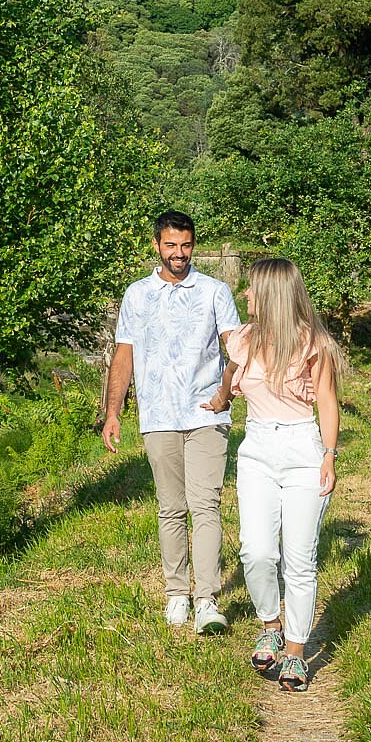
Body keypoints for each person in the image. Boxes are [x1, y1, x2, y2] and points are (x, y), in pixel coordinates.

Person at [203, 256, 345, 692]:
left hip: (303, 447)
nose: (245, 294)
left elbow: (326, 401)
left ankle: (296, 653)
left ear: (271, 294)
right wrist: (223, 397)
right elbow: (231, 372)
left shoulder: (311, 343)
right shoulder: (243, 340)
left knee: (299, 558)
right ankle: (270, 623)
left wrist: (329, 455)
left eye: (250, 288)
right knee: (256, 551)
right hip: (258, 448)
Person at [101, 210, 242, 635]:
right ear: (157, 246)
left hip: (205, 416)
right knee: (170, 507)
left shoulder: (215, 292)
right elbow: (123, 356)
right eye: (171, 246)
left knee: (206, 505)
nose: (179, 254)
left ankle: (207, 600)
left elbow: (236, 351)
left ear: (193, 245)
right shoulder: (137, 295)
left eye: (186, 246)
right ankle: (177, 593)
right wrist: (113, 412)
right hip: (158, 415)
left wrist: (223, 396)